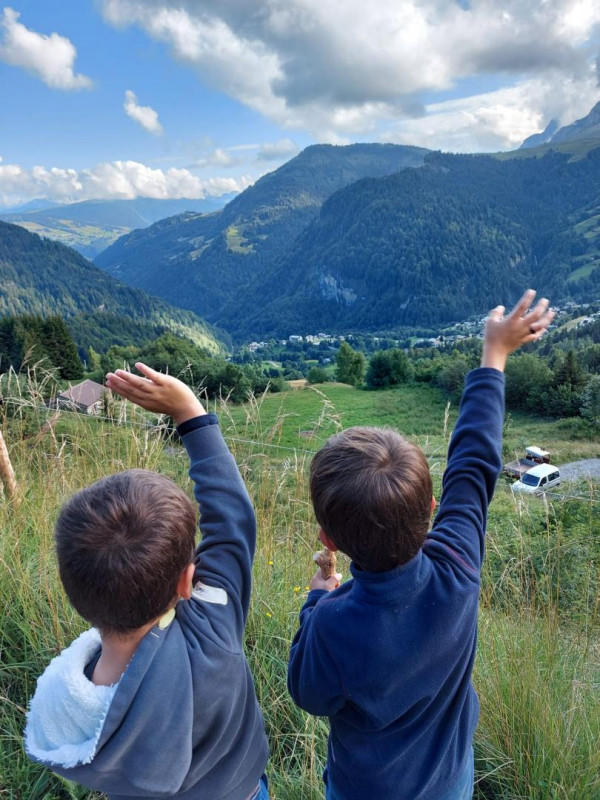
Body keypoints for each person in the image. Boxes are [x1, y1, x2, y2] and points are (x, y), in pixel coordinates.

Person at [287, 290, 554, 800]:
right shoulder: (457, 565)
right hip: (450, 780)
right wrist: (493, 356)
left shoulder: (331, 624)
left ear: (329, 540)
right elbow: (475, 463)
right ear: (432, 513)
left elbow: (307, 694)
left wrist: (316, 598)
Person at [25, 364, 269, 800]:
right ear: (186, 582)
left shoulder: (72, 702)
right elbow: (233, 526)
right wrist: (189, 413)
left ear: (75, 594)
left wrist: (187, 414)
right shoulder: (211, 640)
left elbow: (229, 528)